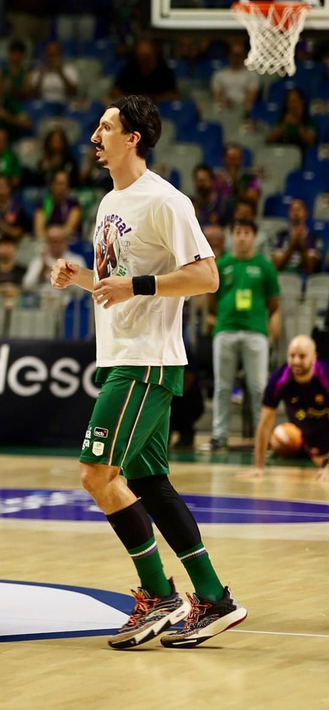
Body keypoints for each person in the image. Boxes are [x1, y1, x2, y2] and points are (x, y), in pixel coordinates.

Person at [51, 94, 244, 647]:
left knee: (96, 474)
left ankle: (159, 595)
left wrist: (133, 285)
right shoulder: (110, 201)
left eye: (106, 126)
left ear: (132, 138)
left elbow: (206, 276)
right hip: (125, 354)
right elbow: (118, 281)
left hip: (146, 361)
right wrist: (83, 279)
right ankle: (212, 598)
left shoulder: (166, 201)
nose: (95, 134)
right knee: (149, 483)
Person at [209, 218, 280, 451]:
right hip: (225, 330)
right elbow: (211, 297)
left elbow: (274, 303)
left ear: (254, 236)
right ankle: (219, 436)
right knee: (222, 387)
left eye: (246, 232)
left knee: (259, 387)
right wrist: (212, 318)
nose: (241, 236)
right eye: (237, 231)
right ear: (232, 235)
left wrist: (272, 326)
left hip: (255, 332)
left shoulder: (264, 267)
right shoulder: (222, 264)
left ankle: (264, 438)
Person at [240, 335, 329, 481]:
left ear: (314, 357)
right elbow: (264, 424)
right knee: (280, 440)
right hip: (310, 435)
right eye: (292, 356)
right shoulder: (279, 380)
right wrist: (258, 467)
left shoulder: (325, 375)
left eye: (302, 356)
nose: (295, 361)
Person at [110, 40, 179, 103]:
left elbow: (173, 95)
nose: (144, 59)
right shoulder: (129, 69)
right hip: (132, 107)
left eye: (147, 55)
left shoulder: (165, 71)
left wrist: (153, 99)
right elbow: (115, 91)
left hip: (158, 109)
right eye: (141, 55)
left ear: (153, 54)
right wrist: (132, 99)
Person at [26, 224, 87, 293]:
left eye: (58, 241)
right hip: (42, 299)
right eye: (51, 241)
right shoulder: (40, 260)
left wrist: (65, 277)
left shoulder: (76, 261)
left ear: (65, 242)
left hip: (66, 300)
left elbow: (81, 290)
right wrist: (41, 272)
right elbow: (27, 285)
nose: (55, 244)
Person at [271, 198, 322, 277]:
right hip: (283, 276)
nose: (295, 212)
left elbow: (311, 268)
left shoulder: (314, 237)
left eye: (299, 209)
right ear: (288, 213)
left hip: (304, 278)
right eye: (293, 210)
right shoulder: (281, 236)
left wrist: (302, 246)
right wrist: (292, 247)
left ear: (306, 213)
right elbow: (276, 267)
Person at [210, 41, 259, 114]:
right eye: (234, 55)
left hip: (243, 110)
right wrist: (226, 102)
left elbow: (251, 98)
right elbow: (217, 95)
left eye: (239, 55)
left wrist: (238, 107)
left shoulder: (252, 75)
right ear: (229, 55)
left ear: (244, 56)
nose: (236, 58)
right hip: (224, 108)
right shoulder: (219, 75)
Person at [35, 167, 83, 239]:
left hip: (67, 242)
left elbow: (69, 229)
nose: (61, 187)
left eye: (64, 184)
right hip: (46, 242)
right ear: (52, 185)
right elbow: (39, 230)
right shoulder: (44, 204)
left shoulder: (74, 205)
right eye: (58, 183)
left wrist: (56, 237)